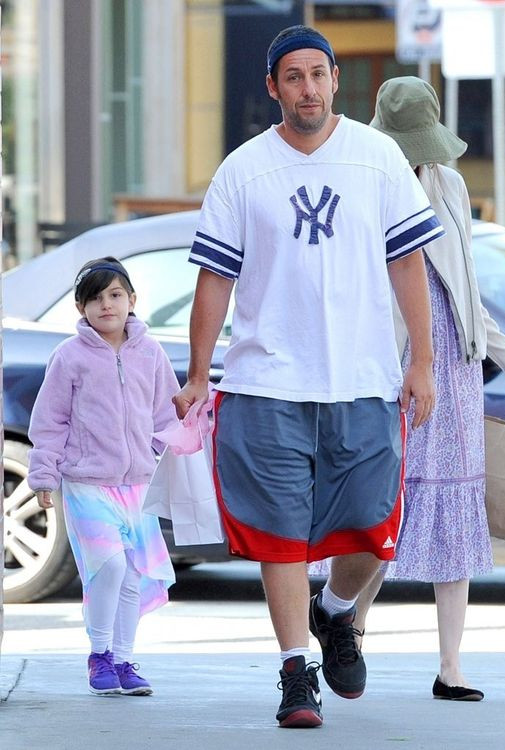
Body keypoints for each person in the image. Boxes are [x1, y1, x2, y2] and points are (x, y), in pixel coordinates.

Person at [173, 26, 445, 728]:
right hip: (267, 382)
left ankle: (335, 612)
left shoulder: (377, 157)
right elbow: (214, 278)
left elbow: (408, 263)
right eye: (292, 77)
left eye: (318, 75)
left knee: (370, 529)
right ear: (273, 87)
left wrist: (421, 361)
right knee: (279, 532)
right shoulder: (243, 169)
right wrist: (201, 372)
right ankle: (297, 670)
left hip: (361, 379)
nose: (308, 89)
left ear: (334, 81)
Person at [353, 76, 505, 701]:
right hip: (387, 366)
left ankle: (450, 665)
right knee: (379, 509)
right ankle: (348, 629)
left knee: (452, 514)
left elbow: (467, 291)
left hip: (452, 369)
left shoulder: (451, 184)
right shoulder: (366, 186)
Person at [28, 257, 178, 697]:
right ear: (81, 308)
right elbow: (49, 420)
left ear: (132, 300)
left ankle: (125, 660)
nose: (106, 305)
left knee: (132, 573)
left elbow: (165, 413)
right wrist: (43, 476)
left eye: (114, 295)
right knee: (108, 566)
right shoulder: (69, 357)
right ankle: (99, 654)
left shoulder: (150, 352)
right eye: (94, 298)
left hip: (137, 484)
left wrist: (161, 455)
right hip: (86, 480)